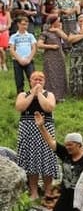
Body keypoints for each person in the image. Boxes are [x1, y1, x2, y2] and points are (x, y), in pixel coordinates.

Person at [33, 112, 83, 211]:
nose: (67, 147)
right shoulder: (65, 153)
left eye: (70, 145)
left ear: (78, 144)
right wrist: (41, 126)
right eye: (66, 145)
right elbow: (50, 141)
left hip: (82, 194)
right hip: (66, 192)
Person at [15, 71, 59, 201]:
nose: (38, 82)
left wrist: (39, 93)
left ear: (44, 81)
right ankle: (33, 191)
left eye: (41, 79)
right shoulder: (23, 94)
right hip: (27, 130)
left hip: (45, 129)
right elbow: (20, 107)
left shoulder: (49, 94)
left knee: (47, 157)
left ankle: (48, 191)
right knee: (31, 159)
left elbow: (49, 108)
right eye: (35, 79)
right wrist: (32, 93)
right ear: (30, 81)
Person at [9, 17, 37, 93]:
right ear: (18, 24)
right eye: (23, 24)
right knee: (19, 80)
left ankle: (34, 95)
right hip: (17, 61)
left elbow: (34, 48)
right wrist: (19, 59)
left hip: (29, 60)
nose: (25, 26)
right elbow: (11, 49)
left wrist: (29, 59)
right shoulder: (14, 36)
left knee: (32, 78)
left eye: (26, 25)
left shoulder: (30, 36)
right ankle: (20, 96)